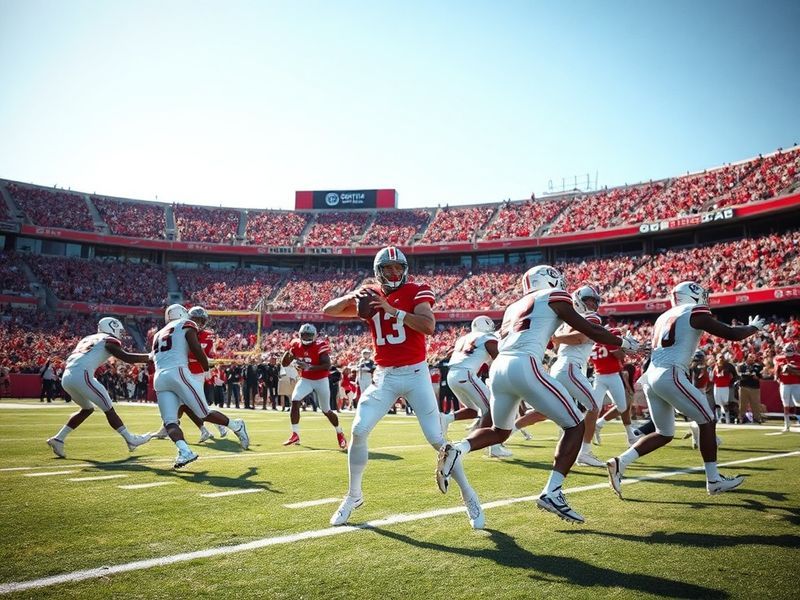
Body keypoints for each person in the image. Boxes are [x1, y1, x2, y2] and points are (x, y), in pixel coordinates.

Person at [437, 265, 641, 525]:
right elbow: (586, 329)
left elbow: (537, 336)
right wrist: (622, 342)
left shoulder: (514, 307)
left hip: (499, 368)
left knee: (501, 431)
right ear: (550, 279)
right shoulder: (554, 296)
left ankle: (458, 448)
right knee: (575, 425)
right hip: (525, 364)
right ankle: (553, 492)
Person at [323, 246, 483, 529]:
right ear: (379, 271)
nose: (394, 273)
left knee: (438, 441)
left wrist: (392, 311)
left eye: (398, 268)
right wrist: (353, 296)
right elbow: (329, 310)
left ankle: (468, 494)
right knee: (359, 430)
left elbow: (428, 325)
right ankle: (353, 496)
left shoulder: (417, 290)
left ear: (405, 270)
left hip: (416, 373)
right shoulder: (371, 294)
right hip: (384, 375)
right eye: (388, 269)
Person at [607, 281, 766, 498]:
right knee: (707, 420)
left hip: (652, 376)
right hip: (670, 373)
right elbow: (731, 334)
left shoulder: (663, 317)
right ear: (692, 295)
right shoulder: (694, 311)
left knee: (664, 433)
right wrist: (754, 328)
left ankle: (620, 462)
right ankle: (713, 480)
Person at [151, 304, 249, 468]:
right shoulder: (184, 326)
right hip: (176, 373)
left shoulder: (159, 334)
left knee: (185, 417)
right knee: (184, 417)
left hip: (164, 376)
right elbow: (195, 347)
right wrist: (206, 365)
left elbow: (151, 357)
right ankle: (186, 451)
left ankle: (235, 426)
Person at [46, 317, 153, 459]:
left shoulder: (88, 338)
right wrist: (149, 356)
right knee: (109, 409)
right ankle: (131, 439)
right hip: (82, 375)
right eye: (119, 330)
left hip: (67, 376)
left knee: (87, 410)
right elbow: (126, 357)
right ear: (112, 327)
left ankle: (58, 439)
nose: (120, 333)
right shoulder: (108, 339)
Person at [151, 306, 228, 442]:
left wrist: (208, 363)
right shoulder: (182, 329)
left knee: (196, 404)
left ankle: (222, 425)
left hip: (196, 372)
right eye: (195, 319)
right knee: (185, 404)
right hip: (184, 371)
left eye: (201, 320)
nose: (198, 323)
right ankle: (172, 426)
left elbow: (205, 352)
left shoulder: (205, 334)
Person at [549, 284, 605, 467]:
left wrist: (557, 338)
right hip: (570, 368)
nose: (593, 305)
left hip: (563, 367)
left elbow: (561, 341)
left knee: (567, 413)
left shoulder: (568, 322)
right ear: (579, 301)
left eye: (595, 301)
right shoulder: (590, 318)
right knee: (594, 406)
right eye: (589, 300)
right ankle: (584, 452)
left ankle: (564, 453)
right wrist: (558, 339)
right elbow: (580, 338)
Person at [442, 315, 510, 458]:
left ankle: (446, 419)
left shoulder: (463, 338)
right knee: (492, 409)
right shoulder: (487, 338)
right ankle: (491, 446)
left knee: (474, 411)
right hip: (466, 374)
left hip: (452, 375)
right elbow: (499, 358)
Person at [281, 324, 347, 449]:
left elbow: (327, 365)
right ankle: (295, 434)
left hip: (321, 380)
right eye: (304, 335)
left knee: (326, 410)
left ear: (314, 336)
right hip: (306, 379)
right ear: (300, 335)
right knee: (295, 400)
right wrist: (289, 351)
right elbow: (284, 363)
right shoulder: (296, 345)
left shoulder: (320, 345)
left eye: (309, 335)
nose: (306, 337)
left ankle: (339, 432)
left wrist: (309, 367)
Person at [591, 327, 639, 446]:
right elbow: (620, 356)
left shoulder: (596, 344)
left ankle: (598, 426)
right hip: (612, 376)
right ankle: (598, 425)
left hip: (599, 377)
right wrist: (625, 347)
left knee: (593, 407)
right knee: (622, 406)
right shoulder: (609, 343)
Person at [775, 343, 800, 432]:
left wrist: (791, 368)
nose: (788, 353)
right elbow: (777, 371)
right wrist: (777, 377)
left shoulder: (798, 358)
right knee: (786, 405)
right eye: (787, 351)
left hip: (796, 383)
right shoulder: (779, 358)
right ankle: (787, 424)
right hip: (784, 383)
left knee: (798, 402)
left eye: (790, 351)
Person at [737, 353, 764, 424]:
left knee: (755, 404)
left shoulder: (758, 366)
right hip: (743, 386)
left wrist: (756, 377)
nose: (752, 358)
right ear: (746, 357)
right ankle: (741, 418)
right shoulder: (741, 366)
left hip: (754, 387)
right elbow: (739, 375)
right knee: (742, 404)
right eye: (750, 357)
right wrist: (747, 374)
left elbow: (761, 376)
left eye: (753, 357)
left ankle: (757, 418)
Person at [711, 353, 737, 424]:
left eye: (722, 357)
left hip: (725, 387)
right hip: (717, 386)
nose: (721, 359)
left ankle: (727, 418)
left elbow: (734, 375)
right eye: (719, 357)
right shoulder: (714, 366)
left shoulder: (728, 366)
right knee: (717, 403)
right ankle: (719, 418)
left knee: (725, 403)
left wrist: (730, 382)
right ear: (717, 358)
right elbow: (711, 377)